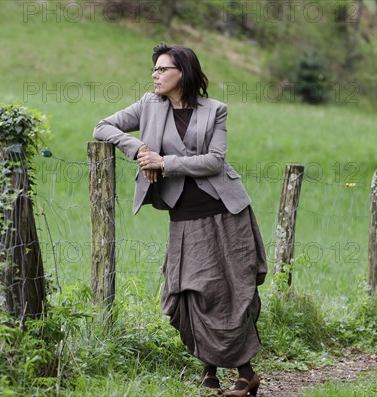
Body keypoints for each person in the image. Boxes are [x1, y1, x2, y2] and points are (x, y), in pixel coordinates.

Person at [93, 42, 267, 396]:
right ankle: (210, 369)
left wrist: (165, 163)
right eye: (154, 69)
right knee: (188, 293)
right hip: (184, 218)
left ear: (183, 74)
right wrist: (139, 149)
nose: (155, 75)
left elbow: (214, 161)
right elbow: (102, 127)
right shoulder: (148, 106)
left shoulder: (215, 110)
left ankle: (242, 373)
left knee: (229, 292)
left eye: (162, 69)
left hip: (225, 212)